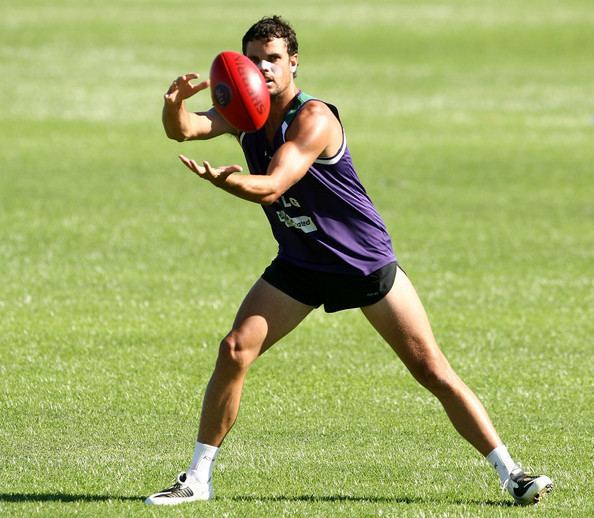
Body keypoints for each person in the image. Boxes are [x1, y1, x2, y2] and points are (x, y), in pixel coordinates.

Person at [145, 16, 552, 506]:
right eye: (253, 58)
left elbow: (273, 185)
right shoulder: (246, 113)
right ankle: (197, 479)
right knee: (234, 349)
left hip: (361, 262)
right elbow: (185, 130)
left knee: (431, 371)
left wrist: (228, 181)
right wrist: (173, 107)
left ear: (293, 62)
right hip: (301, 262)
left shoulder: (314, 119)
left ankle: (513, 475)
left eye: (272, 58)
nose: (262, 67)